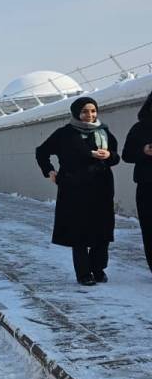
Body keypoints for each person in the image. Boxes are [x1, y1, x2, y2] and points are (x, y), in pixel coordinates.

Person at [36, 96, 120, 286]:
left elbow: (116, 157)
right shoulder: (65, 133)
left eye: (92, 111)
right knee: (79, 231)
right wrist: (49, 171)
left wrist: (109, 155)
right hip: (74, 188)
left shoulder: (103, 131)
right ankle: (83, 273)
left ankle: (98, 269)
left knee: (102, 231)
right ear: (76, 113)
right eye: (84, 111)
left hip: (101, 188)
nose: (89, 115)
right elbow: (41, 152)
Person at [121, 89, 152, 275]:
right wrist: (144, 151)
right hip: (147, 185)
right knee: (149, 227)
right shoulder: (139, 128)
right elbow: (126, 155)